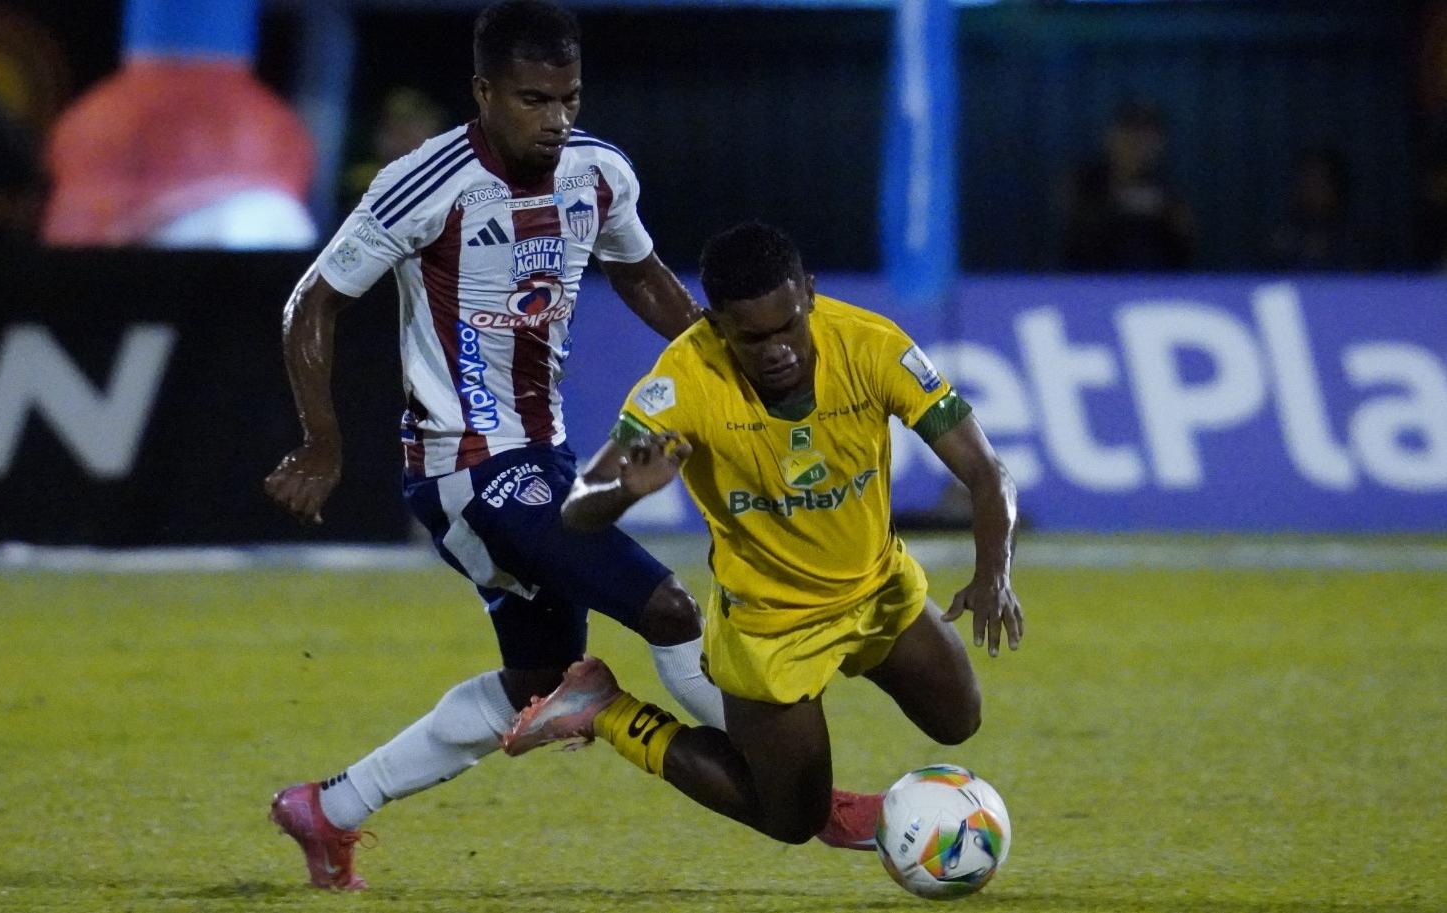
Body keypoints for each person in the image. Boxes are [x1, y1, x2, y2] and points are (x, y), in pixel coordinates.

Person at [261, 1, 866, 891]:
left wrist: (731, 384)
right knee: (669, 612)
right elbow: (312, 302)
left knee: (536, 677)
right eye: (534, 99)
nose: (557, 118)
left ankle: (328, 808)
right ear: (484, 92)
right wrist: (321, 441)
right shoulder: (421, 183)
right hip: (462, 466)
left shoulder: (598, 174)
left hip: (544, 457)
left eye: (569, 98)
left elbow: (642, 274)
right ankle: (813, 798)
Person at [502, 222, 1024, 849]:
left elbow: (985, 471)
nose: (779, 350)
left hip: (878, 588)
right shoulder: (683, 382)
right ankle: (606, 709)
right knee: (792, 821)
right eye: (754, 338)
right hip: (771, 627)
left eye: (789, 326)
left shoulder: (872, 346)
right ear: (718, 326)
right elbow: (576, 510)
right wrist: (625, 491)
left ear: (808, 291)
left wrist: (994, 573)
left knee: (959, 720)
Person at [1060, 99, 1196, 271]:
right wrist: (1122, 202)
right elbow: (1076, 230)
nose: (1137, 144)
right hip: (1090, 283)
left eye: (1147, 137)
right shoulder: (1084, 180)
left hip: (1152, 286)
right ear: (1112, 136)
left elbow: (1184, 243)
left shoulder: (1166, 190)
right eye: (1130, 134)